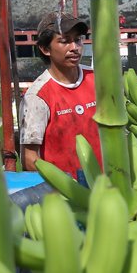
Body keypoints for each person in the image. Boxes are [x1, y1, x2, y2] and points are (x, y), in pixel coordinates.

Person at [20, 13, 99, 176]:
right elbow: (29, 158)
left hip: (109, 184)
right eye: (65, 41)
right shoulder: (37, 97)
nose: (74, 47)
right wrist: (63, 185)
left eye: (78, 40)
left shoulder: (98, 79)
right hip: (68, 193)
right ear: (45, 49)